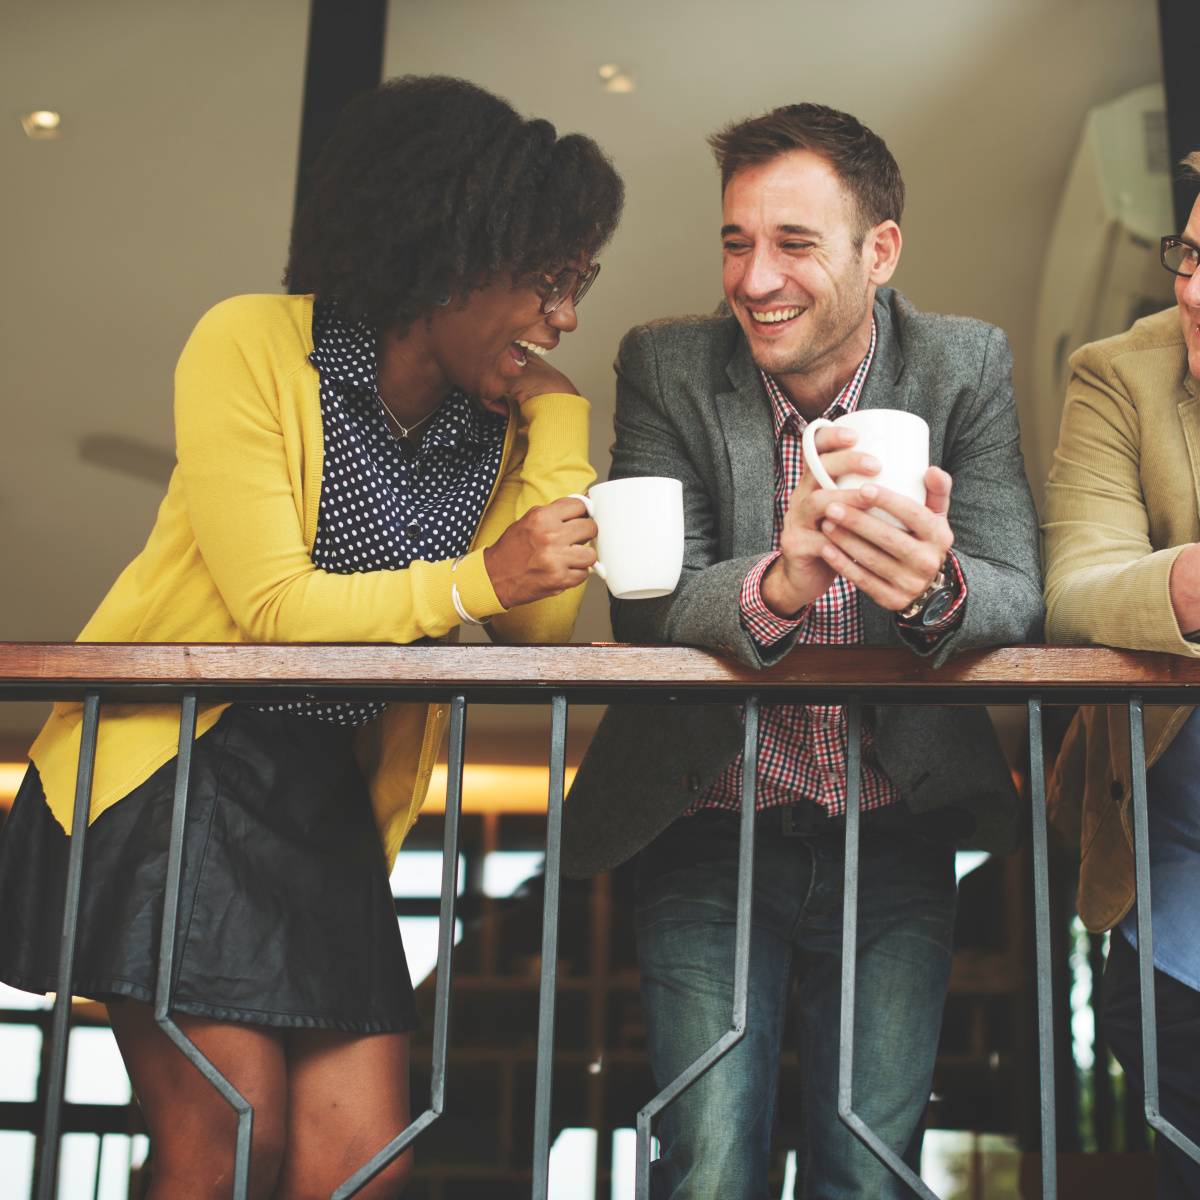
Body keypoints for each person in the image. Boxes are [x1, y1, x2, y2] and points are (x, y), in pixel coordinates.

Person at [0, 75, 622, 1199]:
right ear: (448, 253)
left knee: (365, 1162)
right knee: (230, 1146)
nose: (563, 315)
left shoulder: (495, 419)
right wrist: (476, 577)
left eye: (579, 284)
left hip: (322, 800)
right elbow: (273, 613)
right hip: (182, 768)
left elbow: (535, 618)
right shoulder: (250, 344)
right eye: (546, 281)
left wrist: (561, 423)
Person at [563, 103, 1042, 1198]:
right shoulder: (669, 365)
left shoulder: (965, 364)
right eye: (736, 241)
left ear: (881, 252)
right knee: (708, 1167)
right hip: (706, 828)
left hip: (898, 832)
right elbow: (650, 606)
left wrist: (934, 584)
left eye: (793, 244)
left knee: (869, 1176)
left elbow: (1021, 591)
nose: (755, 277)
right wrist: (781, 582)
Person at [1044, 150, 1200, 1199]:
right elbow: (1079, 587)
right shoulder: (1119, 372)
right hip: (1181, 888)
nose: (1193, 290)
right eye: (1190, 254)